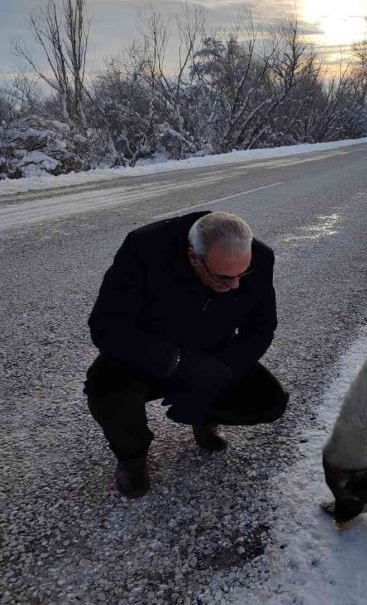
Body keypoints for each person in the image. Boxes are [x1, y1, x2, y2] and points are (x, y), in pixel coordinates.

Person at [84, 210, 288, 498]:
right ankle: (132, 455)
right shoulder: (145, 249)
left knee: (269, 401)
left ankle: (204, 417)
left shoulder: (261, 258)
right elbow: (106, 326)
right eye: (223, 278)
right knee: (105, 387)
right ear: (193, 256)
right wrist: (177, 363)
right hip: (149, 357)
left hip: (212, 355)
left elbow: (261, 328)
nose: (235, 285)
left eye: (243, 275)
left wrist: (224, 368)